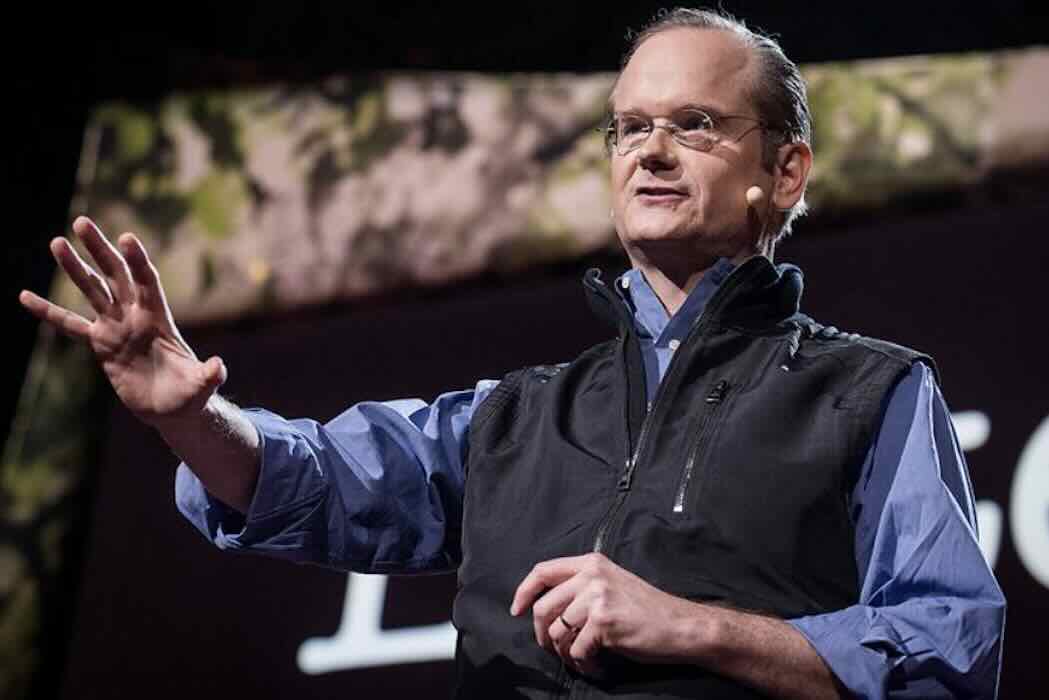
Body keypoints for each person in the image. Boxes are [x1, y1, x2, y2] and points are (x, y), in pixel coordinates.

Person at [20, 7, 1004, 699]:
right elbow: (303, 479)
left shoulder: (871, 393)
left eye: (693, 124)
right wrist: (186, 412)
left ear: (783, 170)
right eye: (627, 128)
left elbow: (942, 650)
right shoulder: (512, 416)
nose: (648, 151)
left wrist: (697, 626)